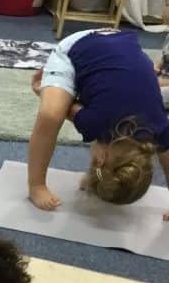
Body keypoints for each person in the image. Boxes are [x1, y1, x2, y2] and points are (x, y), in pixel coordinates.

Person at [28, 28, 169, 219]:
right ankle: (36, 185)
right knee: (51, 115)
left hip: (119, 38)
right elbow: (68, 108)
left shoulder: (159, 129)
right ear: (99, 161)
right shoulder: (93, 123)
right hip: (77, 46)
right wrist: (45, 93)